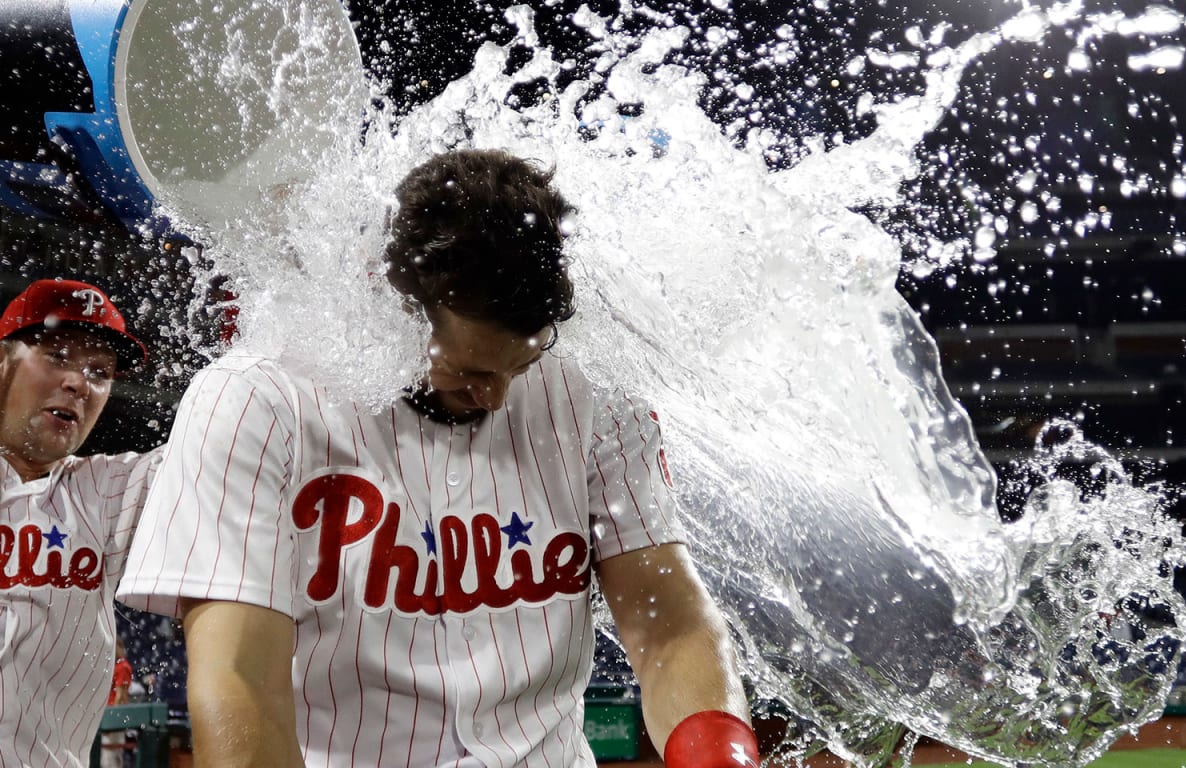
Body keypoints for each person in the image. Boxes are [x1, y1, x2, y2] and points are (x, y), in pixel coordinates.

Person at [118, 149, 759, 767]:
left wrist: (719, 753)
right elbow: (239, 678)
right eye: (470, 369)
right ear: (394, 312)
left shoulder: (594, 391)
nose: (497, 394)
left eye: (521, 366)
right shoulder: (259, 397)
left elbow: (668, 623)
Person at [0, 278, 160, 766]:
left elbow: (224, 443)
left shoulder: (107, 491)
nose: (78, 382)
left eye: (99, 371)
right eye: (56, 355)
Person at [101, 639, 135, 768]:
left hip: (115, 718)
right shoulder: (113, 665)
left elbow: (120, 697)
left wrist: (111, 722)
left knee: (109, 759)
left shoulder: (123, 667)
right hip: (108, 715)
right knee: (107, 757)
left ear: (120, 647)